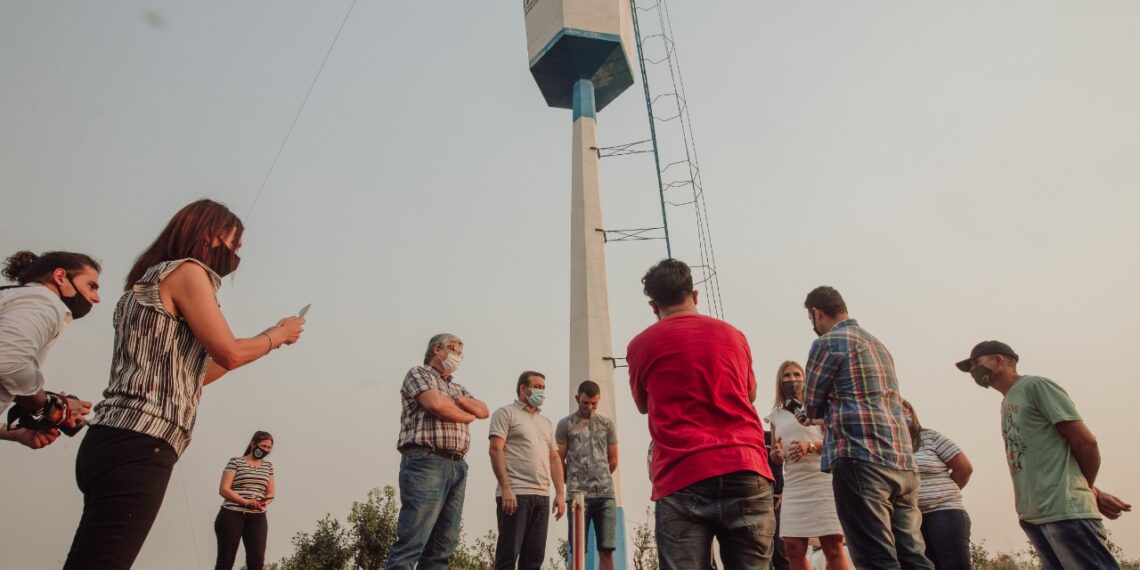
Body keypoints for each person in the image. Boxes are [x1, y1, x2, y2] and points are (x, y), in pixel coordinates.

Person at [63, 199, 306, 569]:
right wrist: (277, 335)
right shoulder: (188, 272)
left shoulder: (143, 285)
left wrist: (261, 342)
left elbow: (199, 373)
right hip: (142, 441)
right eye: (233, 243)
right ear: (208, 235)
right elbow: (229, 352)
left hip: (109, 438)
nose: (236, 254)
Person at [627, 259, 775, 570]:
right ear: (694, 295)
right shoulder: (734, 336)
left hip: (682, 475)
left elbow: (642, 405)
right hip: (745, 466)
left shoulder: (641, 345)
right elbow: (749, 394)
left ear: (653, 306)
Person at [956, 340, 1131, 570]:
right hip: (1034, 515)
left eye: (975, 364)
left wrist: (1084, 489)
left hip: (1063, 511)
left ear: (999, 360)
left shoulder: (1036, 386)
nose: (972, 372)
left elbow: (1086, 442)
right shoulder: (1008, 400)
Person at [801, 286, 932, 569]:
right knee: (913, 556)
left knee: (876, 558)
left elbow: (810, 404)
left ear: (817, 313)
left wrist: (812, 414)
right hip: (902, 462)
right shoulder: (877, 344)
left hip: (860, 457)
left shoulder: (828, 342)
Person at [386, 333, 489, 570]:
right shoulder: (418, 373)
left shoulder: (456, 387)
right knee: (412, 540)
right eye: (453, 350)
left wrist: (455, 400)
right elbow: (436, 404)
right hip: (426, 461)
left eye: (460, 352)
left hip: (457, 466)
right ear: (437, 350)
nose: (458, 356)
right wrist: (465, 414)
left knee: (443, 546)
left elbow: (483, 410)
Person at [1, 250, 99, 449]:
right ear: (60, 276)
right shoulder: (44, 302)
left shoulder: (14, 296)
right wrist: (50, 406)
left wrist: (15, 434)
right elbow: (8, 363)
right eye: (91, 286)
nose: (96, 298)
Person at [765, 360, 849, 570]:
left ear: (805, 379)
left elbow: (837, 442)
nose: (792, 379)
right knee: (792, 547)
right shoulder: (776, 416)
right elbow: (776, 455)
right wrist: (776, 454)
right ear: (780, 381)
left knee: (832, 546)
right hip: (794, 484)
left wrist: (809, 446)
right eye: (787, 375)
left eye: (796, 374)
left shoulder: (820, 409)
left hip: (822, 480)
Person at [489, 371, 566, 570]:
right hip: (516, 494)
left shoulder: (546, 422)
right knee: (508, 556)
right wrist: (506, 488)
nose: (541, 391)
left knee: (534, 559)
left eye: (543, 388)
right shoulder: (505, 413)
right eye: (537, 387)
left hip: (542, 496)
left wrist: (560, 493)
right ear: (523, 388)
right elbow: (495, 450)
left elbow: (555, 458)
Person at [898, 400, 973, 570]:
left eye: (903, 410)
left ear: (911, 412)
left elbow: (964, 468)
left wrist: (942, 494)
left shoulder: (930, 437)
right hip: (910, 518)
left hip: (943, 510)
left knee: (955, 565)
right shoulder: (888, 446)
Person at [556, 380, 619, 570]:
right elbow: (558, 460)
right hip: (577, 497)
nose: (589, 407)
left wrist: (599, 477)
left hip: (605, 495)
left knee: (606, 549)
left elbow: (613, 460)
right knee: (577, 550)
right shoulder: (565, 425)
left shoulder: (607, 424)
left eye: (594, 403)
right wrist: (571, 480)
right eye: (585, 403)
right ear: (577, 398)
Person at [215, 431, 276, 570]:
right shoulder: (236, 462)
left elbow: (271, 493)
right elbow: (224, 489)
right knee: (226, 560)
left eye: (268, 448)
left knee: (257, 562)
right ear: (253, 444)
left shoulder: (268, 466)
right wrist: (245, 502)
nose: (265, 450)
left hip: (257, 517)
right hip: (231, 514)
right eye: (263, 446)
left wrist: (263, 502)